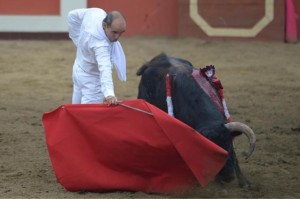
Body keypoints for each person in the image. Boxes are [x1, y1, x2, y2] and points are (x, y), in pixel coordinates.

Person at [67, 8, 127, 105]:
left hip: (78, 69)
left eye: (121, 33)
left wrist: (78, 40)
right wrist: (109, 94)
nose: (117, 37)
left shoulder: (95, 12)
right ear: (104, 25)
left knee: (75, 109)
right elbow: (105, 68)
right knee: (88, 117)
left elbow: (72, 15)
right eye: (114, 32)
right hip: (93, 82)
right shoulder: (101, 45)